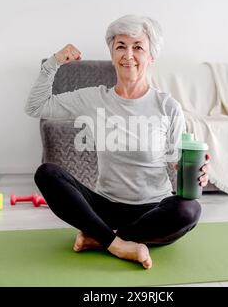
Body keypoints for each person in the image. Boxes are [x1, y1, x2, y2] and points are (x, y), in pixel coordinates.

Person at [25, 15, 210, 269]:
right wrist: (54, 62)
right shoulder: (94, 99)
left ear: (151, 57)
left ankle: (100, 237)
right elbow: (36, 106)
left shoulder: (167, 106)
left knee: (189, 211)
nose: (128, 54)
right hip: (106, 205)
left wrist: (196, 172)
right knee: (46, 174)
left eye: (138, 47)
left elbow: (177, 162)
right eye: (121, 46)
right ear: (112, 53)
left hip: (153, 209)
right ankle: (119, 245)